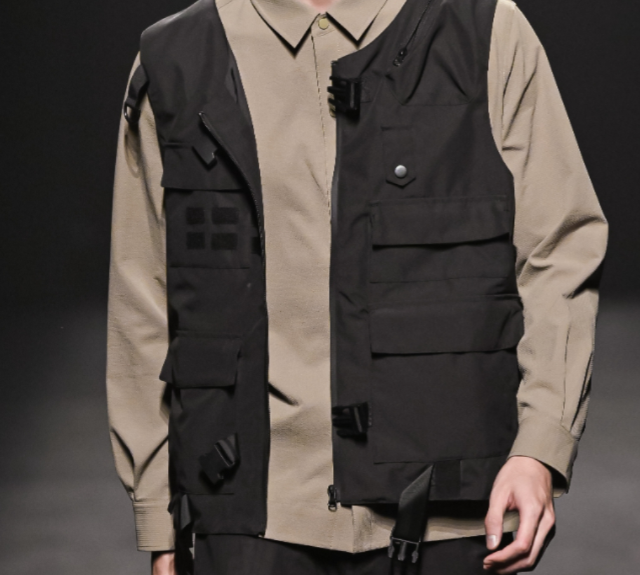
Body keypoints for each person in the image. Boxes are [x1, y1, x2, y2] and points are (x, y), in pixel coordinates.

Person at [106, 0, 608, 573]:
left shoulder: (488, 31)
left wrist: (540, 446)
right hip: (250, 512)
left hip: (451, 502)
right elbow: (142, 295)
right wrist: (160, 517)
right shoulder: (177, 57)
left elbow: (558, 245)